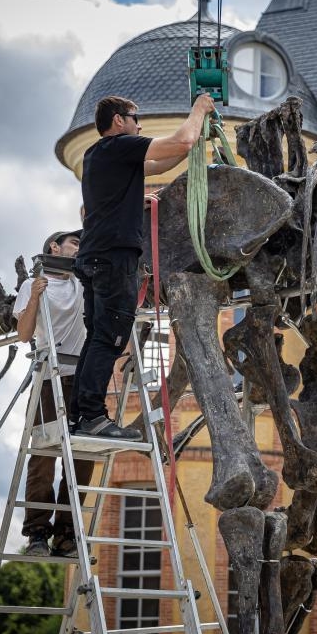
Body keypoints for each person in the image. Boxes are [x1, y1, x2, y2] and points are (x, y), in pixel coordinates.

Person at [71, 93, 217, 439]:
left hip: (95, 256)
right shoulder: (119, 146)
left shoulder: (100, 156)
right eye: (136, 118)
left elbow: (166, 160)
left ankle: (81, 415)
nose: (140, 125)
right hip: (113, 257)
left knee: (98, 337)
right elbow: (180, 141)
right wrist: (199, 109)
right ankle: (92, 417)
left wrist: (194, 138)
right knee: (110, 337)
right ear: (119, 121)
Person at [13, 229, 93, 557]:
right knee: (45, 457)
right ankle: (36, 533)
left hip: (82, 378)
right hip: (50, 377)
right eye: (74, 242)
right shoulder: (34, 284)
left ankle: (66, 534)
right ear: (55, 247)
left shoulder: (83, 282)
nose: (79, 248)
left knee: (83, 457)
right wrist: (34, 295)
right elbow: (24, 334)